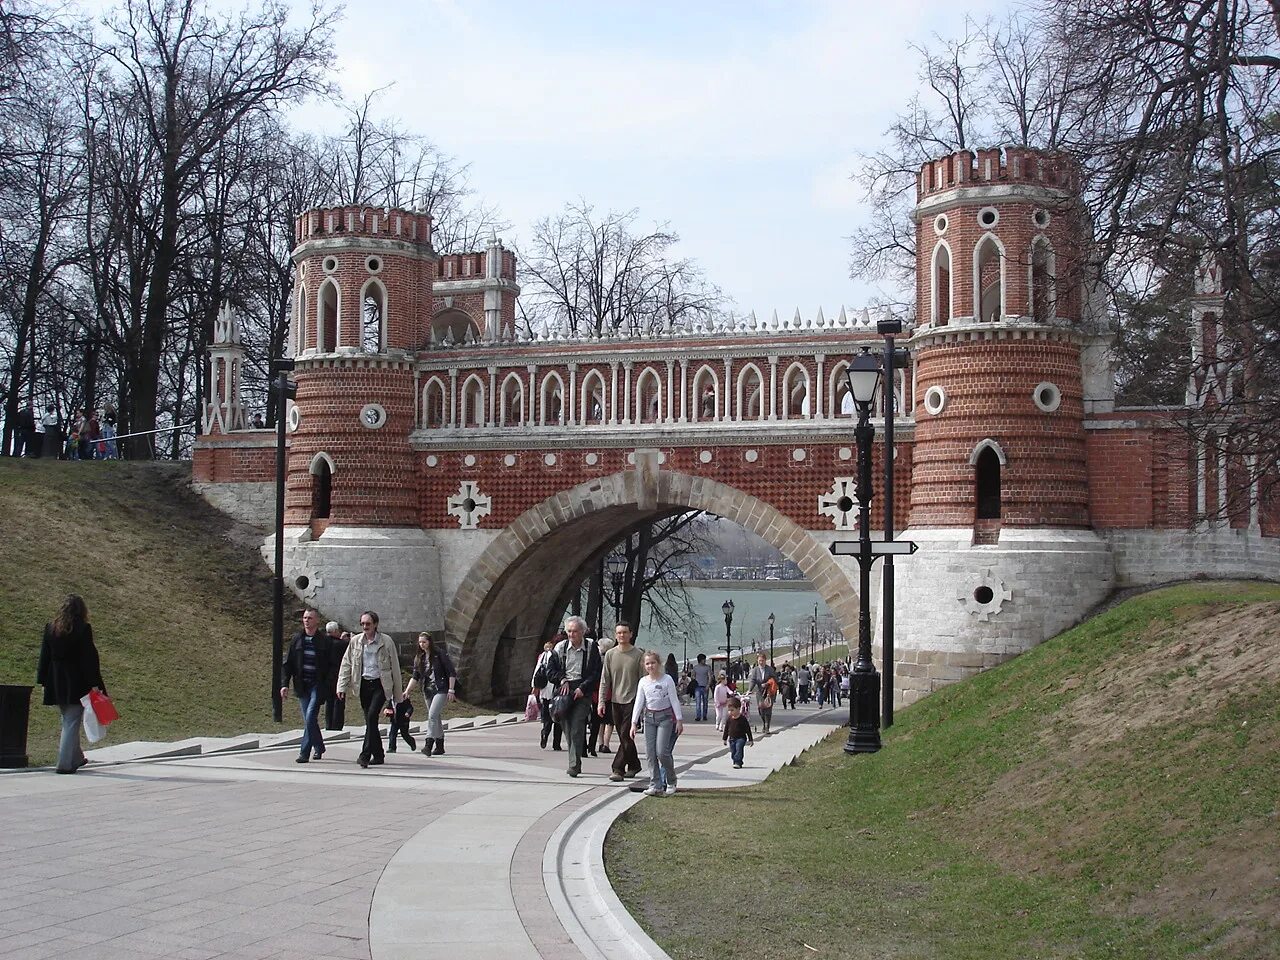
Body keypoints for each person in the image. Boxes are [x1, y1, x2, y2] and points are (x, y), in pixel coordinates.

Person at [36, 595, 107, 774]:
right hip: (77, 682)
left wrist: (43, 680)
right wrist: (95, 684)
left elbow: (44, 656)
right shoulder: (83, 629)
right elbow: (89, 659)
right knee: (71, 721)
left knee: (68, 719)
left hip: (55, 681)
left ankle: (77, 757)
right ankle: (65, 763)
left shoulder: (51, 628)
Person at [335, 610, 402, 768]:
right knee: (370, 721)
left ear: (376, 625)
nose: (365, 626)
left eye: (368, 624)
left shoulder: (386, 641)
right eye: (363, 624)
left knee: (372, 717)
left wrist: (397, 695)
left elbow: (395, 668)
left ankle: (365, 755)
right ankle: (378, 754)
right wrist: (341, 686)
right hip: (363, 685)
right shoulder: (356, 641)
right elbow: (347, 664)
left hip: (380, 684)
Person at [279, 607, 334, 763]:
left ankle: (304, 753)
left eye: (310, 618)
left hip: (318, 684)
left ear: (317, 621)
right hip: (302, 684)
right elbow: (288, 663)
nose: (306, 621)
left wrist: (329, 684)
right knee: (309, 719)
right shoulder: (297, 639)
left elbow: (332, 665)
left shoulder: (324, 641)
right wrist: (285, 684)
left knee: (310, 716)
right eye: (304, 618)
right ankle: (319, 746)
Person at [553, 615, 601, 778]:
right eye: (569, 631)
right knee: (566, 726)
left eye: (575, 631)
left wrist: (583, 687)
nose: (572, 634)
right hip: (564, 689)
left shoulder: (591, 647)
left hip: (582, 690)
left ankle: (574, 765)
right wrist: (562, 680)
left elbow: (596, 672)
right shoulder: (560, 647)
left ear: (583, 632)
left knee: (577, 726)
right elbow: (550, 670)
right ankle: (574, 759)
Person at [631, 650, 684, 796]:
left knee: (662, 752)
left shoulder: (667, 680)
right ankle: (655, 784)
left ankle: (671, 780)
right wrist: (634, 723)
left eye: (653, 663)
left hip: (665, 718)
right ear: (644, 665)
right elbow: (639, 702)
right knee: (650, 753)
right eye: (647, 663)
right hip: (649, 718)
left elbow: (674, 700)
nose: (650, 666)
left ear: (658, 664)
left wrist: (679, 720)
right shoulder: (643, 682)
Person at [598, 622, 645, 782]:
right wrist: (601, 701)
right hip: (615, 701)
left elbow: (642, 681)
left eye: (625, 632)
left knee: (625, 734)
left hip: (632, 700)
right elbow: (605, 679)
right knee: (624, 736)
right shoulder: (610, 655)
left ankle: (617, 768)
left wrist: (643, 704)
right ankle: (634, 764)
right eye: (619, 633)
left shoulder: (638, 654)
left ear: (631, 634)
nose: (621, 636)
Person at [403, 632, 457, 756]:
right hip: (427, 690)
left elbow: (451, 671)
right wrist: (407, 691)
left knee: (432, 715)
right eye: (420, 642)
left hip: (441, 688)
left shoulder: (439, 654)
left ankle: (428, 743)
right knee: (435, 717)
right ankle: (440, 744)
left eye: (424, 642)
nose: (422, 644)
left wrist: (451, 689)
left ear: (430, 642)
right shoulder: (419, 657)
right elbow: (415, 676)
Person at [531, 636, 564, 750]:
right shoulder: (560, 654)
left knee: (547, 715)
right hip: (557, 689)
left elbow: (537, 669)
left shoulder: (544, 655)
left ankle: (545, 732)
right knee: (558, 716)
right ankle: (556, 743)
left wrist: (535, 686)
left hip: (545, 689)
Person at [722, 696, 754, 768]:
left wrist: (750, 739)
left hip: (741, 738)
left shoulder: (742, 719)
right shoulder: (729, 719)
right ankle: (735, 761)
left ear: (738, 709)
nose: (730, 712)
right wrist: (724, 739)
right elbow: (726, 729)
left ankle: (738, 762)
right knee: (733, 751)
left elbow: (748, 729)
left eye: (732, 710)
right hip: (732, 738)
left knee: (739, 749)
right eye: (729, 710)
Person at [692, 653, 712, 721]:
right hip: (697, 687)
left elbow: (710, 677)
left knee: (705, 702)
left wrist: (708, 685)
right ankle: (698, 716)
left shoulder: (708, 667)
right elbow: (693, 676)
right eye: (703, 659)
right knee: (698, 702)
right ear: (700, 660)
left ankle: (704, 715)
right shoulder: (695, 667)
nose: (705, 660)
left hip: (705, 686)